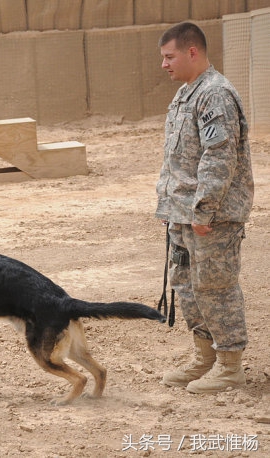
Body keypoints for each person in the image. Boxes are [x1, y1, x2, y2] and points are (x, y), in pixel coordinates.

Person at [155, 22, 254, 394]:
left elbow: (219, 156)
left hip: (212, 217)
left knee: (215, 286)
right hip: (183, 213)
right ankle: (205, 358)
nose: (164, 64)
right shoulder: (186, 94)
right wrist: (168, 205)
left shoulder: (215, 94)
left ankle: (230, 366)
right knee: (188, 286)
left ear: (192, 51)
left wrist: (204, 210)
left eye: (169, 57)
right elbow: (177, 159)